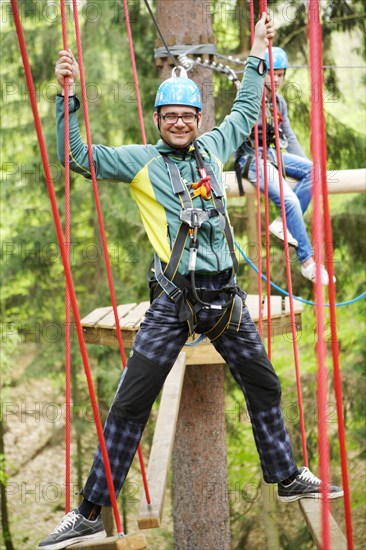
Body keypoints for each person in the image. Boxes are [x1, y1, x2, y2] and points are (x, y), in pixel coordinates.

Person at [38, 16, 343, 550]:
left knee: (264, 385)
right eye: (171, 116)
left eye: (187, 116)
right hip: (175, 303)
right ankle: (88, 510)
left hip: (225, 300)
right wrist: (68, 98)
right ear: (159, 119)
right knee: (131, 403)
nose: (180, 123)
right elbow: (77, 157)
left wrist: (254, 53)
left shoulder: (215, 148)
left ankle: (287, 475)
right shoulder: (140, 163)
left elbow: (247, 108)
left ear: (199, 119)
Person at [235, 46, 335, 285]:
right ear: (263, 72)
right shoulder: (251, 95)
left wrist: (304, 165)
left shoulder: (279, 102)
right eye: (272, 73)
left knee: (316, 171)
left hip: (272, 154)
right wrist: (248, 91)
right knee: (288, 199)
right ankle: (308, 262)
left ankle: (284, 223)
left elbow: (288, 137)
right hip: (251, 158)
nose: (277, 79)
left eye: (281, 74)